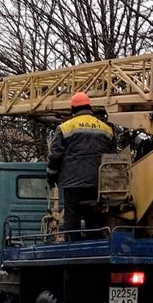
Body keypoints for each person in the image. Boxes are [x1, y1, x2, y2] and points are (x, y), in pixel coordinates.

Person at [47, 91, 116, 234]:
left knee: (72, 220)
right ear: (90, 107)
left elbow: (55, 156)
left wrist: (51, 177)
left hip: (73, 184)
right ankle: (95, 249)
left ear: (72, 109)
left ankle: (72, 251)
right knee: (94, 219)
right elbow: (113, 157)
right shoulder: (106, 129)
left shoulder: (65, 128)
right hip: (97, 184)